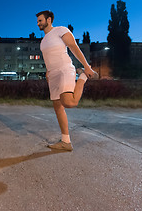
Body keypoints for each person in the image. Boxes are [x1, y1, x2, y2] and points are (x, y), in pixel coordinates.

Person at [36, 10, 98, 151]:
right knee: (58, 107)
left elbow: (73, 47)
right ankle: (66, 141)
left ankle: (82, 77)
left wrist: (86, 67)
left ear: (49, 19)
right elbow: (48, 57)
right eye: (37, 21)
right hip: (52, 75)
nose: (38, 23)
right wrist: (47, 71)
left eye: (40, 20)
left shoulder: (60, 30)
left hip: (64, 69)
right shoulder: (43, 41)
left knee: (69, 102)